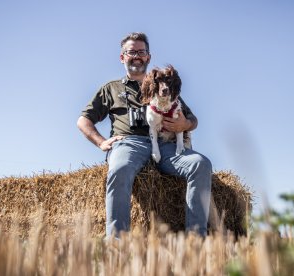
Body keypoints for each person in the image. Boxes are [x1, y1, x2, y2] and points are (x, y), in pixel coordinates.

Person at [77, 32, 212, 237]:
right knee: (119, 167)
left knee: (201, 164)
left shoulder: (165, 86)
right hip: (130, 143)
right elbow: (83, 121)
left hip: (166, 143)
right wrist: (102, 142)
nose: (137, 56)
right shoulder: (111, 89)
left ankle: (196, 239)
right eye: (131, 52)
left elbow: (193, 120)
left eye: (141, 52)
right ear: (122, 57)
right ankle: (116, 241)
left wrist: (184, 124)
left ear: (148, 57)